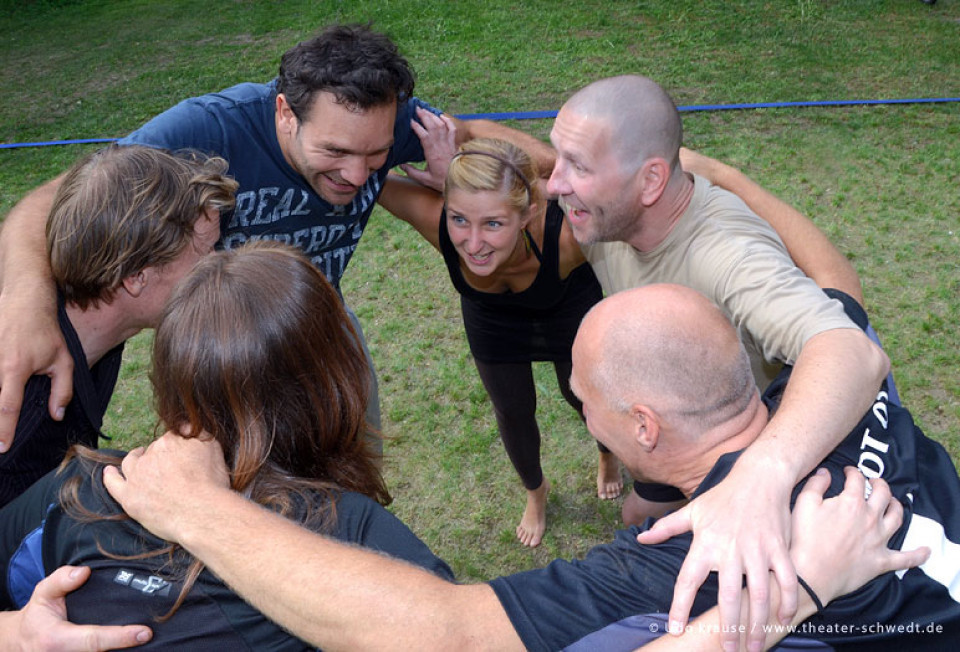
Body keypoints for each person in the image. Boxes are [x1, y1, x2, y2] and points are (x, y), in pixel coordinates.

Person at [66, 282, 946, 652]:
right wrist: (762, 471)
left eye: (584, 397)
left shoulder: (682, 565)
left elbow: (442, 633)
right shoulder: (844, 399)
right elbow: (841, 319)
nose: (577, 406)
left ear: (640, 424)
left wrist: (199, 512)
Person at [0, 22, 553, 454]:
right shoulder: (209, 129)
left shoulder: (384, 120)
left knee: (353, 460)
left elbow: (479, 135)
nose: (358, 176)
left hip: (321, 325)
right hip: (221, 350)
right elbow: (48, 199)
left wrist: (538, 168)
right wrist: (25, 300)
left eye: (376, 155)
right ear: (285, 113)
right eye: (334, 153)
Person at [378, 128, 868, 548]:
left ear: (527, 215)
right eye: (460, 219)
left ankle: (608, 456)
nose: (473, 242)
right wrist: (453, 150)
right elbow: (363, 174)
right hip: (493, 322)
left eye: (493, 224)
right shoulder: (437, 221)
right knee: (513, 410)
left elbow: (611, 192)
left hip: (564, 308)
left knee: (589, 403)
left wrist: (720, 176)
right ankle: (537, 492)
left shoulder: (572, 235)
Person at [545, 74, 890, 647]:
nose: (555, 183)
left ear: (651, 179)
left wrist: (761, 477)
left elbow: (851, 348)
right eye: (558, 158)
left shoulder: (729, 257)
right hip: (680, 439)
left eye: (575, 166)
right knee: (639, 517)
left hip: (761, 449)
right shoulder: (608, 212)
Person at [0, 242, 453, 648]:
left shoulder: (84, 488)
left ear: (170, 382)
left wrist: (16, 633)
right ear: (337, 380)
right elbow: (463, 636)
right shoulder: (359, 541)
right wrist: (15, 633)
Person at [0, 145, 233, 508]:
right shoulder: (25, 401)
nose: (219, 266)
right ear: (136, 277)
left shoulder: (93, 337)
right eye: (205, 253)